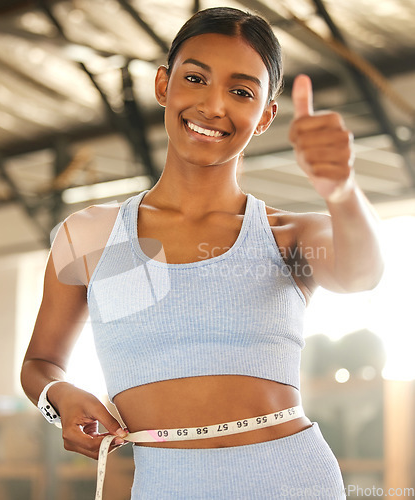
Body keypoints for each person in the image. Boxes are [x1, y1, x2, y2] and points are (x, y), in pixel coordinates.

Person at [21, 6, 384, 499]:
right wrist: (58, 395)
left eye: (241, 91)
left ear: (265, 117)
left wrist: (342, 192)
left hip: (289, 481)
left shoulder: (285, 235)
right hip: (163, 485)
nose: (214, 106)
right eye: (196, 78)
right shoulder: (91, 237)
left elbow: (361, 274)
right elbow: (40, 361)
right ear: (163, 85)